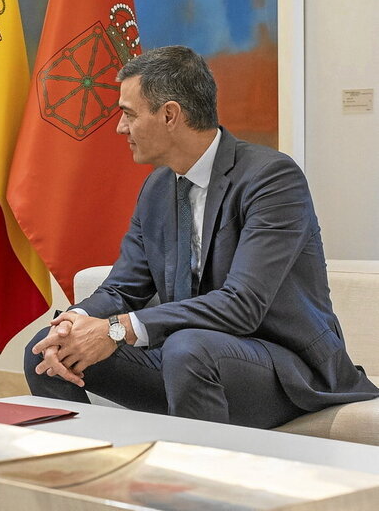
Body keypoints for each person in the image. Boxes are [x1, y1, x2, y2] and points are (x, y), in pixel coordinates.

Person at [25, 46, 378, 429]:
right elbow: (123, 288)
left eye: (128, 114)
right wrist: (76, 321)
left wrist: (118, 329)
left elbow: (241, 304)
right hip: (188, 361)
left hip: (285, 369)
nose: (120, 128)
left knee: (187, 349)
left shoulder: (272, 179)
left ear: (170, 114)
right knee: (46, 353)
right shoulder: (157, 188)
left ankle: (196, 484)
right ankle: (91, 472)